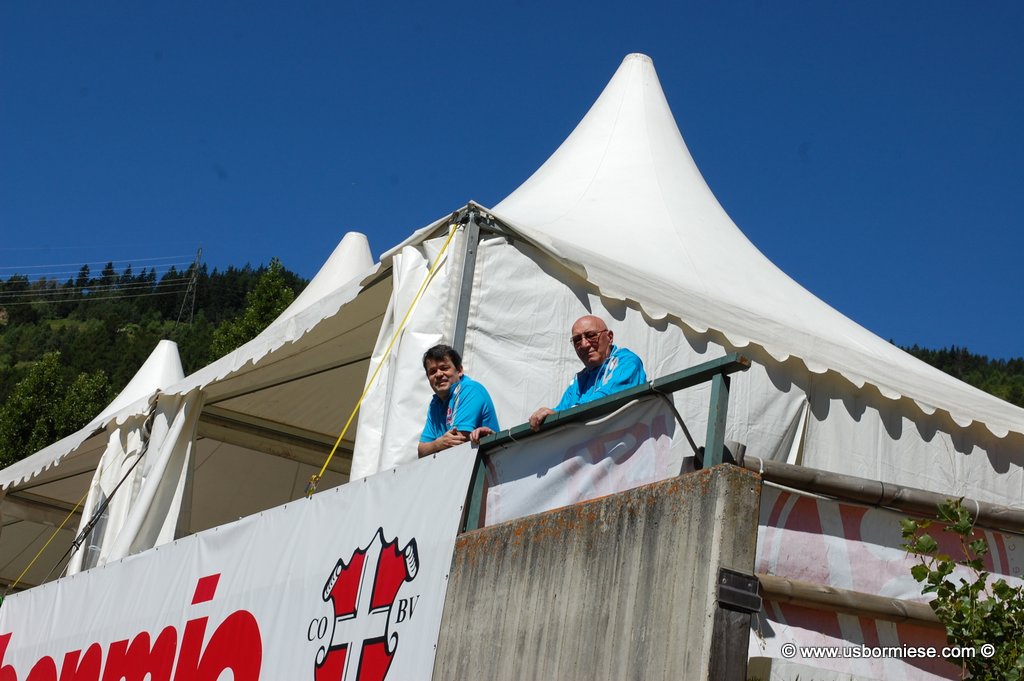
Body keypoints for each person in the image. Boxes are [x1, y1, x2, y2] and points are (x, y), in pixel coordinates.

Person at [529, 315, 647, 431]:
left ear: (610, 337)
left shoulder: (627, 362)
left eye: (591, 336)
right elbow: (561, 410)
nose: (584, 344)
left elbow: (606, 398)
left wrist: (559, 415)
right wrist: (544, 415)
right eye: (577, 340)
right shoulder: (579, 379)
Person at [418, 344, 500, 457]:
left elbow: (458, 441)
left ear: (460, 370)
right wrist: (438, 444)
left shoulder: (470, 389)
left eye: (444, 368)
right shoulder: (435, 403)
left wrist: (434, 446)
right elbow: (421, 451)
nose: (439, 374)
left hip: (487, 464)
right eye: (432, 371)